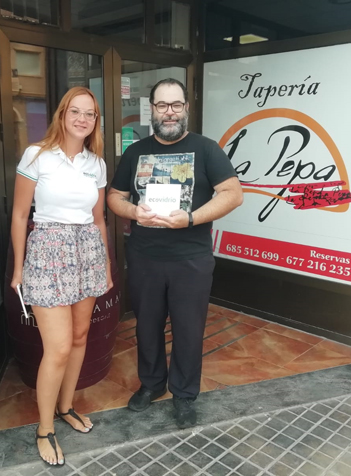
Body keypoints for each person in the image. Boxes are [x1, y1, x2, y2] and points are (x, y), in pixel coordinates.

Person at [107, 78, 243, 429]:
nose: (170, 112)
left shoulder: (206, 149)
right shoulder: (135, 153)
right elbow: (114, 197)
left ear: (186, 108)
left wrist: (192, 218)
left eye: (176, 105)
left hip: (191, 258)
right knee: (147, 325)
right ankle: (152, 384)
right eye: (162, 105)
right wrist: (133, 211)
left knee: (188, 328)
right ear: (151, 109)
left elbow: (233, 194)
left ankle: (184, 393)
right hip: (144, 256)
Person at [10, 87, 113, 466]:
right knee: (57, 348)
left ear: (95, 121)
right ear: (62, 114)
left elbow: (99, 220)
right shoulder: (37, 155)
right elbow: (20, 215)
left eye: (90, 113)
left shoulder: (96, 164)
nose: (82, 119)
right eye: (75, 111)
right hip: (48, 253)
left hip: (87, 252)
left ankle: (66, 406)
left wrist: (105, 266)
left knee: (81, 336)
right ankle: (44, 428)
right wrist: (19, 269)